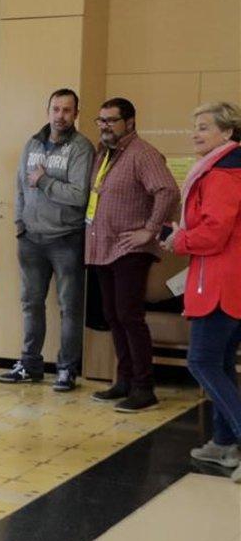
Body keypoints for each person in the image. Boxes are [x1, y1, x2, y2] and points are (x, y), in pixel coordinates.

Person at [162, 102, 241, 482]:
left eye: (205, 127)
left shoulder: (222, 176)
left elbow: (213, 233)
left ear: (227, 133)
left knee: (202, 362)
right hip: (227, 280)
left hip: (221, 283)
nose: (196, 133)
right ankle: (224, 443)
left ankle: (235, 437)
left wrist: (180, 240)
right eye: (195, 126)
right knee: (221, 363)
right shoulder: (223, 169)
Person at [85, 97, 179, 412]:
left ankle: (144, 387)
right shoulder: (106, 154)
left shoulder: (143, 153)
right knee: (113, 316)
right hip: (102, 248)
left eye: (111, 120)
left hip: (129, 250)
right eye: (101, 121)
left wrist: (150, 229)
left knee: (129, 316)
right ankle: (124, 381)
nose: (105, 126)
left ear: (130, 122)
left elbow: (167, 190)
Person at [0, 88, 94, 391]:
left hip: (66, 238)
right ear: (48, 111)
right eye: (56, 109)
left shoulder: (81, 148)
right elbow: (18, 187)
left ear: (76, 114)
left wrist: (45, 181)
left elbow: (79, 196)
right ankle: (29, 365)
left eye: (67, 110)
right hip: (31, 238)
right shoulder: (33, 143)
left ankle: (66, 369)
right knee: (30, 304)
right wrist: (19, 224)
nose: (60, 116)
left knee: (69, 307)